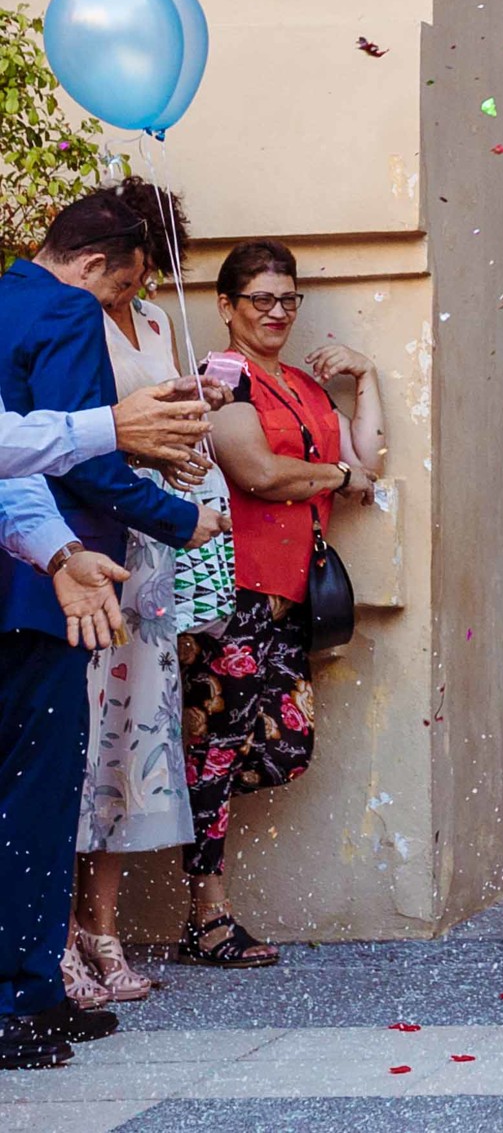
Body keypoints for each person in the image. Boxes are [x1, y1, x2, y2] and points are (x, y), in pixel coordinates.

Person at [0, 191, 228, 1071]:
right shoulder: (62, 308)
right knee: (38, 791)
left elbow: (16, 458)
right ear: (96, 266)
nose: (119, 307)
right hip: (39, 597)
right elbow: (75, 460)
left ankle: (35, 985)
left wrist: (57, 549)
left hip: (47, 565)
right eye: (123, 288)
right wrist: (178, 516)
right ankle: (23, 991)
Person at [190, 240, 383, 967]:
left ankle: (201, 872)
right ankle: (208, 913)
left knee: (281, 746)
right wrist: (333, 474)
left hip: (293, 595)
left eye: (288, 298)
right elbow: (259, 472)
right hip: (237, 592)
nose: (277, 312)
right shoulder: (223, 379)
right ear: (227, 307)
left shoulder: (302, 385)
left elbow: (365, 464)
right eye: (261, 299)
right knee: (215, 749)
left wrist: (365, 380)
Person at [67, 178, 211, 1007]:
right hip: (90, 540)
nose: (143, 285)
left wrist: (194, 419)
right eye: (135, 270)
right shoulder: (71, 315)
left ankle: (104, 924)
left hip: (150, 546)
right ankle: (54, 935)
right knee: (75, 741)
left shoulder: (154, 321)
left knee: (129, 741)